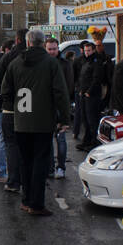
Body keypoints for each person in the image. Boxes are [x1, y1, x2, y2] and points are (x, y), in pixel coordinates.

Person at [1, 30, 70, 216]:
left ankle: (26, 200)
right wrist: (65, 118)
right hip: (42, 121)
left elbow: (5, 90)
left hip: (21, 121)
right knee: (40, 162)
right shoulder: (50, 63)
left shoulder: (15, 63)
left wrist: (16, 105)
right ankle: (36, 204)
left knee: (25, 162)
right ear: (42, 43)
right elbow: (60, 93)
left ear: (28, 42)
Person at [0, 30, 27, 190]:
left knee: (5, 139)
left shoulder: (7, 57)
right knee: (5, 140)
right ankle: (0, 172)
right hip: (5, 105)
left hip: (0, 103)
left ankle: (4, 172)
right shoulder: (17, 57)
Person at [76, 40, 111, 150]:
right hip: (84, 93)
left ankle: (94, 142)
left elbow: (97, 79)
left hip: (92, 95)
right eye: (85, 51)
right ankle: (87, 141)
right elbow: (82, 77)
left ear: (93, 50)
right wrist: (81, 90)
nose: (87, 53)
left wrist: (88, 92)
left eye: (89, 51)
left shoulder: (96, 61)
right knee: (85, 119)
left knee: (92, 120)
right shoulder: (85, 61)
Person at [47, 37, 73, 179]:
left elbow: (69, 86)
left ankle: (61, 167)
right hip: (46, 106)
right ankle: (50, 167)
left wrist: (65, 112)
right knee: (48, 140)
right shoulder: (43, 63)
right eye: (49, 49)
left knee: (61, 138)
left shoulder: (65, 64)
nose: (52, 51)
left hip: (60, 106)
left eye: (54, 49)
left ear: (58, 49)